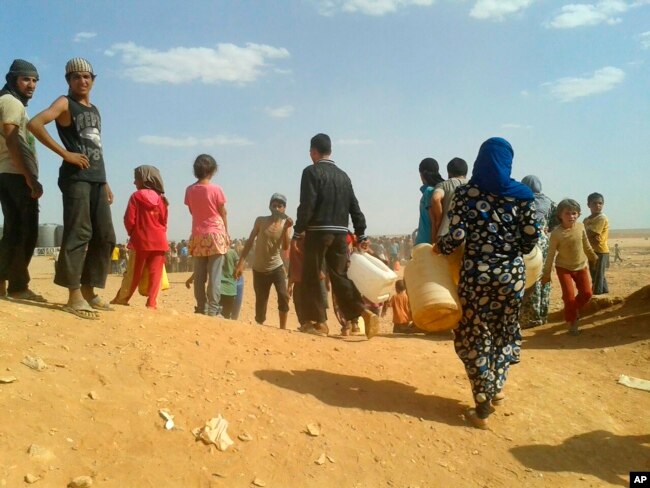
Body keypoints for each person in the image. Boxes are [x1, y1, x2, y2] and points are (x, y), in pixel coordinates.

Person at [437, 137, 539, 429]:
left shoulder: (467, 193)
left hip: (476, 276)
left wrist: (439, 248)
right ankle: (496, 386)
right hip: (512, 277)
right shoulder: (522, 194)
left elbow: (455, 236)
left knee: (474, 333)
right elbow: (531, 236)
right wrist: (510, 250)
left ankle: (483, 398)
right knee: (504, 332)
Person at [28, 58, 116, 319]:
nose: (82, 81)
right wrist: (65, 153)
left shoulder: (95, 110)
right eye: (76, 77)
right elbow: (35, 123)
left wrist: (105, 181)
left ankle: (89, 290)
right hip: (75, 178)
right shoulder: (65, 103)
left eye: (87, 76)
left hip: (97, 179)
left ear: (93, 79)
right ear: (68, 80)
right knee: (79, 233)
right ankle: (74, 295)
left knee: (105, 236)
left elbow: (96, 147)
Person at [292, 133, 379, 338]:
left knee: (312, 275)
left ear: (313, 152)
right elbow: (354, 206)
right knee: (341, 277)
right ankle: (361, 313)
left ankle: (319, 323)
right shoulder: (343, 176)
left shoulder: (311, 172)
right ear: (330, 151)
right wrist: (361, 232)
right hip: (341, 234)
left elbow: (307, 205)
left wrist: (297, 231)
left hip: (317, 232)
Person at [0, 59, 45, 301]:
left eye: (35, 80)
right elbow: (11, 138)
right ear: (13, 80)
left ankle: (4, 285)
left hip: (7, 173)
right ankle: (18, 287)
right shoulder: (11, 102)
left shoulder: (8, 101)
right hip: (15, 175)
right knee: (26, 232)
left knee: (13, 231)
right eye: (26, 79)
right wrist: (30, 177)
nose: (31, 85)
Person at [111, 165, 168, 309]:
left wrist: (133, 233)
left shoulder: (136, 196)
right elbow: (164, 221)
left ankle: (122, 298)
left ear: (144, 179)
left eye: (136, 179)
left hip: (140, 241)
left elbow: (129, 219)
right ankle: (152, 303)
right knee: (156, 274)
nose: (134, 183)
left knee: (133, 273)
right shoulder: (162, 199)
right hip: (159, 241)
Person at [235, 193, 293, 329]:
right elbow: (249, 242)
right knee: (261, 301)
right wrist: (241, 263)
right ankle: (260, 327)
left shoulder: (287, 225)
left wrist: (285, 229)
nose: (277, 208)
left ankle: (283, 329)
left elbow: (285, 247)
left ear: (284, 208)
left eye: (280, 206)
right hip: (259, 268)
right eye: (274, 205)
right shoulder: (260, 221)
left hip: (276, 266)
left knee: (283, 296)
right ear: (270, 206)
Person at [542, 199, 597, 335]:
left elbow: (586, 244)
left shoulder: (581, 227)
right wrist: (546, 274)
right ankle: (572, 323)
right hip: (563, 268)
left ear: (578, 214)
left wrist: (593, 256)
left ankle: (572, 309)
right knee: (569, 296)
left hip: (581, 266)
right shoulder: (556, 233)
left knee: (587, 293)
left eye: (574, 213)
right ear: (560, 215)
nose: (571, 216)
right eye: (567, 213)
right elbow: (550, 255)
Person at [185, 154, 229, 316]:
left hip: (198, 235)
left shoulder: (189, 190)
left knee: (200, 275)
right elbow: (223, 213)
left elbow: (192, 211)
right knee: (215, 276)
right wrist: (226, 233)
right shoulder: (217, 189)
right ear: (212, 170)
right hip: (216, 234)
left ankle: (201, 307)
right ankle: (213, 309)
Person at [519, 175, 557, 329]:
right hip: (544, 242)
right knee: (544, 276)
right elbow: (555, 223)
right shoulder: (550, 203)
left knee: (529, 278)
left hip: (528, 244)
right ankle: (543, 314)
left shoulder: (522, 201)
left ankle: (531, 317)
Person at [431, 157, 468, 239]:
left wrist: (438, 221)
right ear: (466, 172)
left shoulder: (444, 185)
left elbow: (436, 198)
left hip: (446, 236)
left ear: (449, 173)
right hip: (467, 235)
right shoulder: (474, 186)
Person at [583, 192, 609, 295]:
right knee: (595, 273)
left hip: (601, 250)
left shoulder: (601, 218)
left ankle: (596, 294)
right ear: (588, 205)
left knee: (598, 275)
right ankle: (605, 291)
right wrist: (588, 236)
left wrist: (587, 235)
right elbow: (586, 234)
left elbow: (591, 233)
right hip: (591, 250)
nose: (598, 205)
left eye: (600, 203)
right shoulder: (587, 219)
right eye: (594, 203)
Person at [415, 157, 444, 245]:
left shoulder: (429, 192)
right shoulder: (440, 190)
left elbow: (434, 221)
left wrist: (433, 245)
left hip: (425, 244)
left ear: (422, 174)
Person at [219, 246, 239, 319]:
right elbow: (239, 266)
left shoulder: (214, 252)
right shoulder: (232, 252)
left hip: (217, 289)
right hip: (230, 289)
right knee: (227, 315)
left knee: (215, 315)